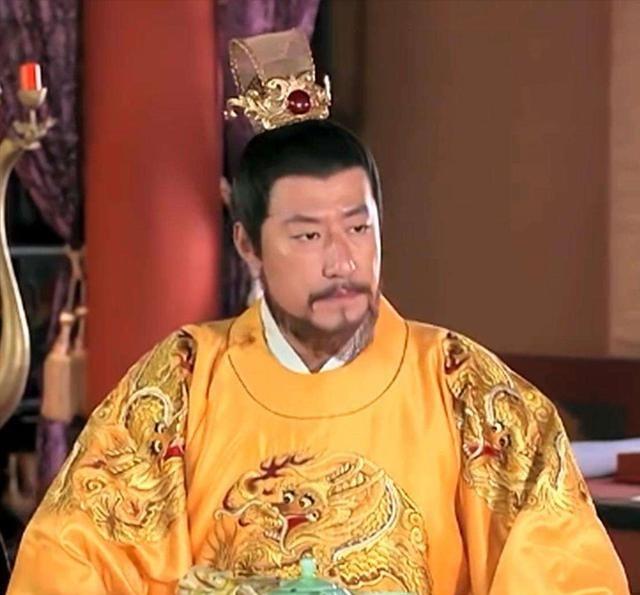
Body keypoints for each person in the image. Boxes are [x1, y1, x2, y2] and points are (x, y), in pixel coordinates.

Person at [7, 30, 629, 595]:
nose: (341, 261)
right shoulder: (182, 384)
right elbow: (70, 560)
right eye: (307, 235)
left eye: (358, 227)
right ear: (248, 244)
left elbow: (566, 571)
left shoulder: (465, 389)